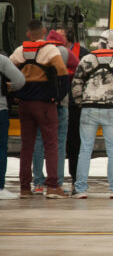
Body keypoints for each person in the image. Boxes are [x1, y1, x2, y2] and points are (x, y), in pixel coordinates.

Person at [10, 19, 69, 199]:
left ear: (28, 34)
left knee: (27, 145)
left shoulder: (19, 51)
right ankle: (52, 187)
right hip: (44, 103)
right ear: (43, 31)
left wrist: (15, 95)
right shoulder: (50, 50)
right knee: (51, 143)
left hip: (25, 104)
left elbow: (9, 73)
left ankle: (25, 188)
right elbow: (62, 71)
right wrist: (58, 96)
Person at [71, 29, 113, 199]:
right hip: (110, 109)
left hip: (88, 108)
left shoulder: (87, 59)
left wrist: (79, 103)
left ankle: (80, 188)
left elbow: (76, 83)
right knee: (112, 150)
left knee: (85, 149)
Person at [31, 30, 74, 194]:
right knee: (59, 143)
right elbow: (76, 66)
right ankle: (56, 183)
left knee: (39, 141)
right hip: (60, 103)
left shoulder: (36, 51)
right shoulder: (63, 51)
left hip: (41, 102)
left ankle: (38, 183)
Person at [63, 29, 88, 188]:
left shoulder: (84, 53)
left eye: (61, 36)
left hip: (76, 105)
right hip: (61, 100)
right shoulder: (55, 52)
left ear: (69, 38)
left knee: (75, 142)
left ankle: (76, 176)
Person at [0, 54, 25, 199]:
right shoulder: (2, 60)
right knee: (1, 148)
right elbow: (20, 80)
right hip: (0, 110)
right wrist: (9, 87)